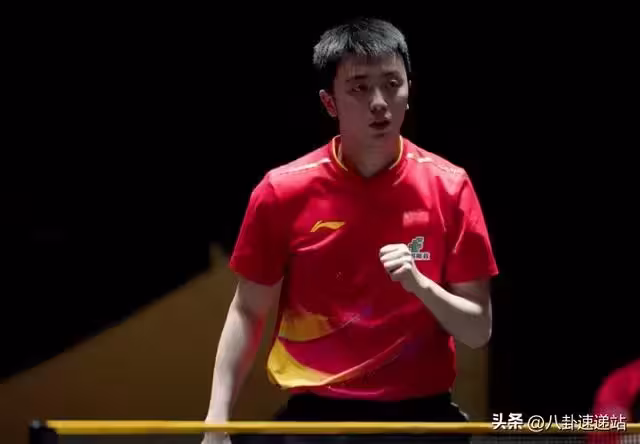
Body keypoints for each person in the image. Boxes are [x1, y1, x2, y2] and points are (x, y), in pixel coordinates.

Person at [203, 17, 499, 444]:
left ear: (409, 90)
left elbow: (477, 331)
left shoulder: (450, 187)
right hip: (317, 419)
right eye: (359, 88)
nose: (379, 102)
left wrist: (420, 285)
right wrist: (217, 418)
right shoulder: (282, 191)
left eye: (392, 84)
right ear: (330, 103)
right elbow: (248, 312)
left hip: (420, 419)